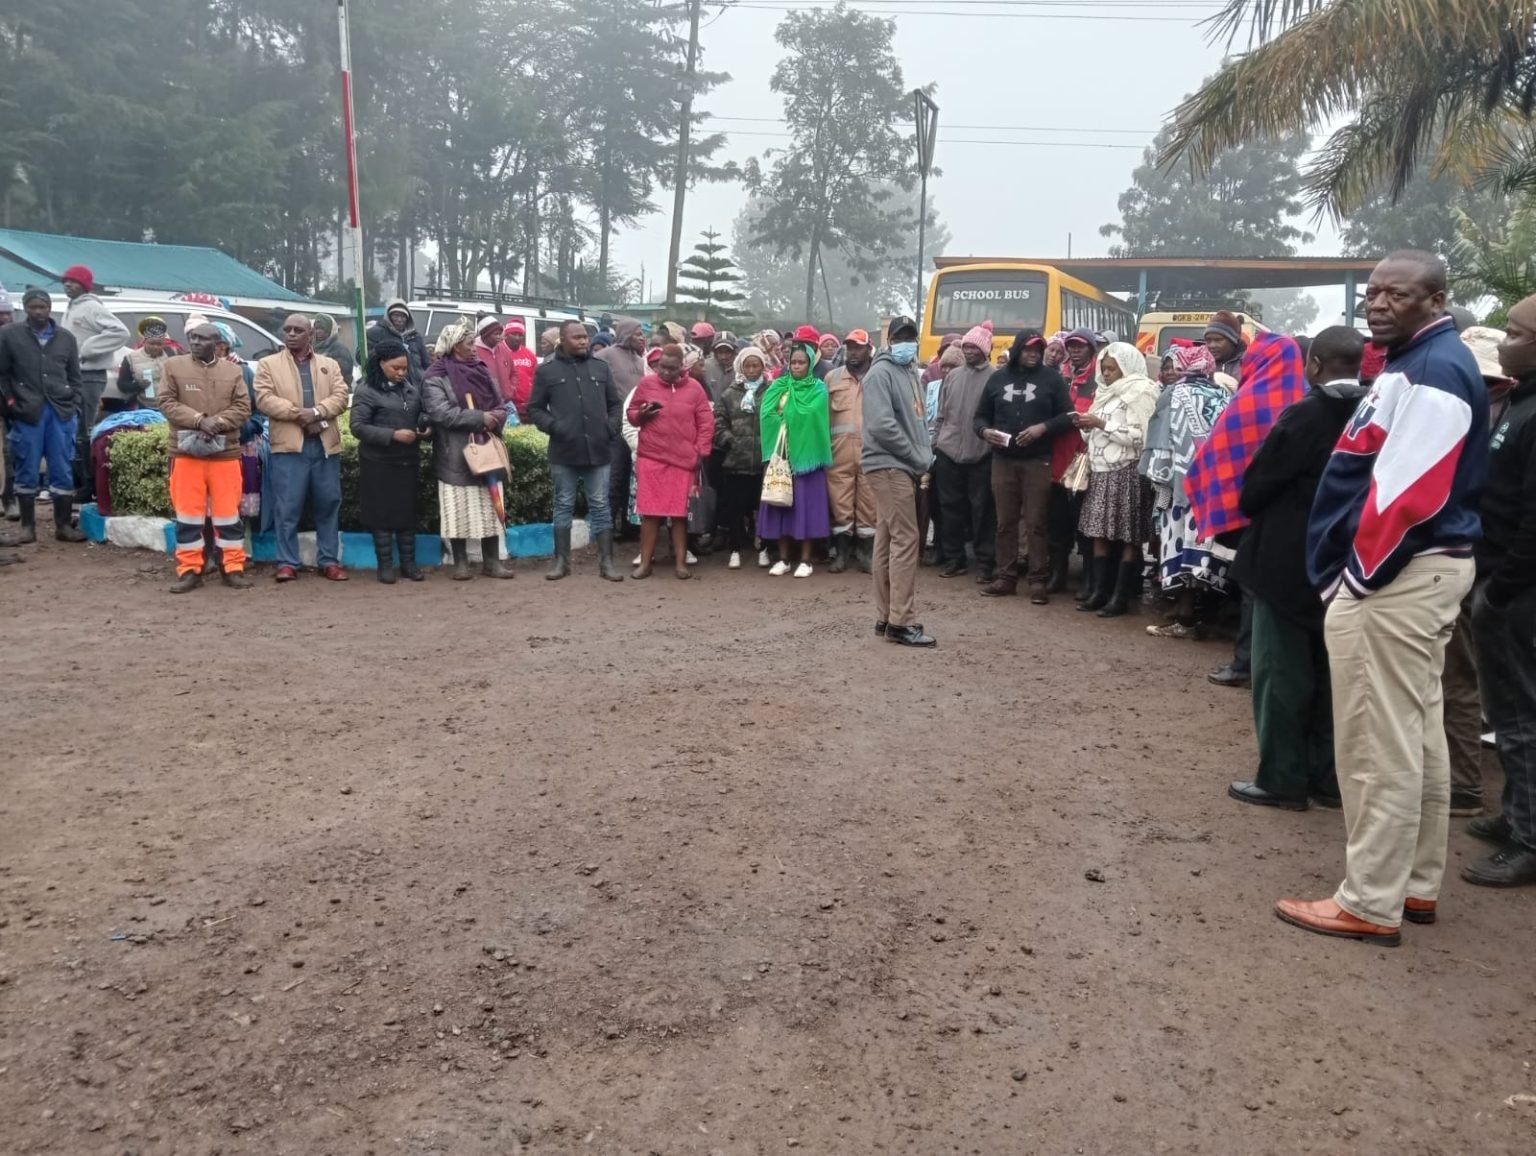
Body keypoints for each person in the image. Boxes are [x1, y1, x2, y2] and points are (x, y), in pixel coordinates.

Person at [1277, 251, 1488, 945]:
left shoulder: (1434, 370)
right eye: (1372, 292)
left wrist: (1353, 581)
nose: (1377, 303)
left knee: (1377, 744)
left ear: (1435, 299)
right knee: (1415, 735)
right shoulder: (1414, 362)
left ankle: (1369, 900)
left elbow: (1405, 494)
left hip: (1398, 577)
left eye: (1397, 294)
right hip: (1418, 575)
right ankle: (1414, 888)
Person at [1226, 326, 1366, 811]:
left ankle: (1283, 778)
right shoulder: (1374, 413)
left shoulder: (1304, 415)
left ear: (1314, 364)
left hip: (1286, 559)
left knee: (1281, 674)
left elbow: (1258, 484)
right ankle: (1328, 780)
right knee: (1334, 676)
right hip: (1348, 563)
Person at [1185, 333, 1309, 686]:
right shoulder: (1303, 396)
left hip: (1255, 509)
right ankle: (1272, 664)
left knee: (1252, 585)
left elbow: (1221, 451)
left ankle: (1245, 665)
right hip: (1296, 512)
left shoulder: (1251, 398)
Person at [1462, 301, 1536, 886]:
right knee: (1507, 709)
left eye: (1514, 333)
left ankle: (1530, 838)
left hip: (1517, 591)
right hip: (1498, 580)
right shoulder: (1521, 400)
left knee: (1522, 713)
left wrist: (1502, 588)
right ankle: (1516, 815)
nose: (1505, 342)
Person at [1139, 344, 1235, 637]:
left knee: (1179, 548)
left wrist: (1159, 484)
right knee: (1205, 551)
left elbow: (1160, 442)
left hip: (1180, 488)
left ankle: (1184, 617)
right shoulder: (1223, 394)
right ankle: (1202, 616)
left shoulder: (1173, 394)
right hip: (1213, 488)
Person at [973, 331, 1072, 601]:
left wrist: (1043, 428)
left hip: (1037, 460)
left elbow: (1068, 415)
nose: (1034, 355)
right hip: (1003, 460)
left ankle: (1038, 579)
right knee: (1005, 522)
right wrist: (984, 432)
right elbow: (980, 416)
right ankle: (1005, 576)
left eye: (1038, 350)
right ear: (1018, 350)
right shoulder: (998, 379)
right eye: (1028, 350)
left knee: (1036, 521)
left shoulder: (1052, 379)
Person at [254, 313, 351, 582]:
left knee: (328, 504)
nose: (291, 334)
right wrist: (300, 414)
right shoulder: (268, 365)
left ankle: (329, 561)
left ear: (311, 334)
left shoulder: (329, 364)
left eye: (298, 330)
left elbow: (341, 397)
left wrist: (318, 412)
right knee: (287, 506)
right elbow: (264, 399)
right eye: (288, 330)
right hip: (289, 447)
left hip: (324, 446)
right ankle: (287, 563)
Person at [156, 323, 253, 593]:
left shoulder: (233, 371)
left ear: (218, 343)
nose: (196, 342)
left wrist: (217, 422)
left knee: (228, 517)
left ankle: (232, 568)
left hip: (225, 454)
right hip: (185, 453)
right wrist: (199, 421)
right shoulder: (173, 366)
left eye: (203, 339)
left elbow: (244, 407)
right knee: (188, 516)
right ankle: (190, 570)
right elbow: (166, 402)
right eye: (193, 338)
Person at [421, 318, 515, 581]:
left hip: (487, 450)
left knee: (490, 507)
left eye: (474, 342)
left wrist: (494, 417)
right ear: (453, 346)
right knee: (457, 509)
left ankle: (492, 562)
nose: (474, 348)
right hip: (454, 454)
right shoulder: (435, 377)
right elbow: (442, 413)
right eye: (468, 343)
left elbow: (501, 405)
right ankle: (460, 563)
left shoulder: (482, 370)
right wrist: (479, 419)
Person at [529, 319, 623, 581]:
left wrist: (610, 427)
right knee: (563, 504)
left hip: (598, 450)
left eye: (585, 337)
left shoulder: (601, 368)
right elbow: (534, 408)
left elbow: (615, 405)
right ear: (563, 339)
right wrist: (555, 427)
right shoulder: (547, 371)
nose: (584, 341)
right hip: (564, 452)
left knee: (601, 505)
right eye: (577, 337)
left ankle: (607, 564)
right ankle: (561, 562)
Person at [1074, 343, 1159, 616]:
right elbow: (1095, 434)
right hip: (1100, 472)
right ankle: (1100, 591)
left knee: (1128, 535)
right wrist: (1086, 426)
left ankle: (1120, 596)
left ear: (1127, 366)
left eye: (1112, 369)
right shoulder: (1105, 393)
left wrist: (1101, 424)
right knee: (1099, 532)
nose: (1107, 374)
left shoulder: (1142, 391)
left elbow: (1141, 436)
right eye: (1104, 369)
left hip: (1128, 471)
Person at [863, 316, 933, 645]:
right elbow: (882, 426)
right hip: (890, 464)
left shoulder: (908, 372)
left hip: (899, 465)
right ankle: (901, 622)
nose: (907, 342)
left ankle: (886, 616)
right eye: (901, 336)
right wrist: (917, 456)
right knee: (906, 538)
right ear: (890, 340)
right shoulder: (881, 373)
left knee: (888, 537)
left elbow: (917, 419)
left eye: (911, 336)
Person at [0, 289, 88, 546]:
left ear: (50, 308)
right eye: (33, 307)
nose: (39, 312)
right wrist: (13, 403)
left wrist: (74, 404)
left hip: (60, 412)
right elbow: (2, 375)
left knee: (62, 467)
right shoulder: (9, 335)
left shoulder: (65, 338)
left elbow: (75, 376)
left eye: (43, 307)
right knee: (26, 467)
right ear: (25, 309)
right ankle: (28, 528)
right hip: (28, 412)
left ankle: (62, 526)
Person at [626, 345, 715, 579]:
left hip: (683, 460)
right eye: (661, 367)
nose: (665, 372)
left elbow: (706, 422)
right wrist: (642, 414)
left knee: (679, 515)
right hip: (652, 458)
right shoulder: (646, 384)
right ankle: (645, 563)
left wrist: (700, 452)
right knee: (650, 513)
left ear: (682, 367)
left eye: (671, 368)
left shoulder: (695, 389)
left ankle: (680, 562)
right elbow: (632, 415)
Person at [350, 338, 427, 584]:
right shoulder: (366, 390)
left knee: (406, 514)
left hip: (407, 460)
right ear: (381, 363)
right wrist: (392, 435)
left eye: (404, 368)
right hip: (377, 462)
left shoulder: (410, 388)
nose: (401, 373)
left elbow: (422, 413)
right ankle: (385, 566)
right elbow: (358, 427)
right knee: (381, 515)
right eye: (396, 368)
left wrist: (426, 428)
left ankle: (409, 564)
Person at [757, 340, 832, 578]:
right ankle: (784, 559)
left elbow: (813, 415)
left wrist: (786, 415)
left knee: (806, 509)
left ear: (810, 364)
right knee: (781, 507)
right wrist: (785, 420)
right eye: (793, 362)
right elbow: (766, 415)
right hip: (781, 459)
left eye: (802, 362)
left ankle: (806, 560)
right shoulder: (778, 385)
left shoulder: (818, 389)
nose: (797, 367)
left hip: (808, 459)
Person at [931, 322, 998, 582]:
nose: (968, 351)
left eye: (974, 347)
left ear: (985, 350)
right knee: (950, 508)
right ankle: (954, 558)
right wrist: (936, 445)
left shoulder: (995, 378)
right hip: (948, 452)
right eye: (966, 346)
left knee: (982, 509)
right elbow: (941, 415)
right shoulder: (953, 376)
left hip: (981, 453)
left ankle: (984, 563)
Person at [59, 265, 129, 501]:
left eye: (73, 281)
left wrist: (88, 349)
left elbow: (120, 332)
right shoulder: (72, 307)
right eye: (65, 281)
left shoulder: (91, 307)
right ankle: (80, 482)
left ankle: (90, 486)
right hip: (74, 375)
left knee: (84, 431)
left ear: (85, 285)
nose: (68, 285)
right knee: (74, 430)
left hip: (90, 375)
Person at [1046, 329, 1099, 592]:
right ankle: (1057, 574)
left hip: (1084, 458)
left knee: (1084, 522)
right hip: (1057, 456)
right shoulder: (1057, 377)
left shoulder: (1100, 378)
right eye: (1072, 346)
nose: (1075, 350)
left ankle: (1089, 580)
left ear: (1091, 348)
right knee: (1057, 522)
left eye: (1080, 346)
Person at [823, 329, 878, 574]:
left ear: (869, 349)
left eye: (858, 347)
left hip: (872, 453)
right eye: (850, 347)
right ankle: (842, 554)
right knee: (840, 505)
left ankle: (865, 553)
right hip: (839, 454)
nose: (853, 351)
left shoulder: (879, 377)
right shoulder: (832, 378)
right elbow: (822, 418)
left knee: (869, 506)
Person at [715, 345, 769, 570]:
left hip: (764, 462)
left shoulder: (771, 391)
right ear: (741, 367)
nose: (751, 369)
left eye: (756, 365)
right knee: (735, 508)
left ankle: (764, 547)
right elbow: (718, 422)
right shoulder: (729, 394)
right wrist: (730, 440)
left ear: (762, 367)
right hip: (736, 462)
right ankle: (735, 549)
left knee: (764, 507)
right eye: (747, 365)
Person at [596, 317, 648, 541]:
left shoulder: (639, 359)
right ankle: (605, 528)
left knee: (632, 478)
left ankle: (629, 526)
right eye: (637, 333)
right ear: (625, 333)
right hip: (616, 426)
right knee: (615, 478)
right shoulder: (605, 356)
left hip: (636, 426)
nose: (641, 337)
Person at [112, 318, 173, 410]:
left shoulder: (171, 354)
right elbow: (122, 385)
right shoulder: (131, 358)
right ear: (144, 342)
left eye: (159, 344)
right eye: (151, 344)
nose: (155, 347)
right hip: (146, 406)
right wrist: (137, 385)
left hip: (170, 406)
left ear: (164, 343)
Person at [365, 299, 428, 384]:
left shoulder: (415, 337)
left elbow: (426, 363)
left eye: (403, 316)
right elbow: (362, 355)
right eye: (395, 315)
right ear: (388, 316)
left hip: (417, 386)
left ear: (408, 318)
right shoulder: (376, 333)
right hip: (389, 385)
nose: (399, 319)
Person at [473, 315, 518, 411]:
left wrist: (511, 390)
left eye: (500, 333)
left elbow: (513, 373)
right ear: (485, 335)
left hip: (507, 403)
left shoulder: (504, 349)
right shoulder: (473, 351)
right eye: (495, 334)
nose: (499, 337)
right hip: (485, 406)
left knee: (514, 426)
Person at [503, 320, 539, 419]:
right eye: (514, 334)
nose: (517, 338)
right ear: (506, 334)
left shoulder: (530, 355)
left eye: (520, 335)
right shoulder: (499, 352)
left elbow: (536, 378)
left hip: (526, 407)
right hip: (506, 407)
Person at [311, 314, 357, 382]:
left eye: (322, 329)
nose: (318, 331)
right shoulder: (312, 348)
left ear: (330, 330)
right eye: (316, 328)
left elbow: (342, 374)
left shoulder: (340, 349)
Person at [1202, 310, 1247, 379]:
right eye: (1208, 340)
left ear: (1232, 341)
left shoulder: (1248, 363)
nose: (1212, 345)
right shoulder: (1199, 363)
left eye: (1218, 340)